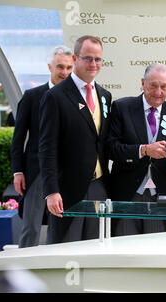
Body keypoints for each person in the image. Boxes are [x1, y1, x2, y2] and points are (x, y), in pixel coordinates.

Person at [39, 36, 112, 244]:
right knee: (65, 249)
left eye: (98, 59)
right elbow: (47, 148)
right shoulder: (55, 97)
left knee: (96, 247)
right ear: (75, 58)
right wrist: (51, 191)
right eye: (88, 58)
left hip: (99, 186)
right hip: (67, 190)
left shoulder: (105, 96)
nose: (93, 64)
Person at [107, 63, 166, 236]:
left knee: (160, 251)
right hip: (126, 193)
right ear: (143, 83)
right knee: (125, 250)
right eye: (153, 86)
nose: (158, 92)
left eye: (164, 86)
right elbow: (111, 149)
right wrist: (143, 150)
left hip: (163, 196)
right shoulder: (122, 107)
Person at [11, 45, 73, 247]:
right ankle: (25, 271)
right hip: (36, 170)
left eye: (69, 68)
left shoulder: (77, 98)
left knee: (62, 225)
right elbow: (19, 137)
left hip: (65, 171)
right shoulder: (32, 96)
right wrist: (18, 171)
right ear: (50, 67)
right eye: (60, 67)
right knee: (31, 226)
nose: (64, 72)